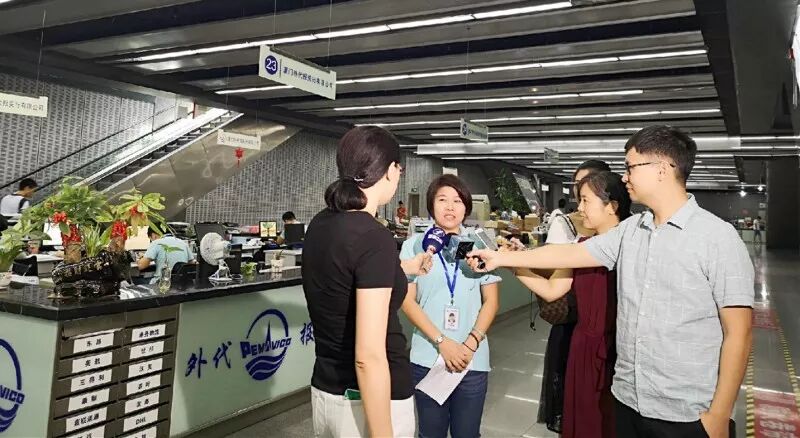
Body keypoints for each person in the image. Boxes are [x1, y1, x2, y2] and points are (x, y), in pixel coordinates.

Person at [470, 126, 753, 438]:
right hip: (627, 401)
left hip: (685, 412)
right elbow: (569, 254)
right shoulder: (631, 231)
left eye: (631, 167)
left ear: (662, 169)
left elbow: (738, 333)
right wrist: (501, 258)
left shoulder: (718, 239)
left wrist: (719, 415)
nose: (625, 176)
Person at [302, 126, 433, 438]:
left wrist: (404, 267)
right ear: (389, 170)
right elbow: (369, 357)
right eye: (399, 168)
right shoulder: (374, 236)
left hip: (326, 390)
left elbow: (347, 273)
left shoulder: (321, 223)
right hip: (371, 402)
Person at [516, 171, 631, 437]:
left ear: (612, 206)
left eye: (586, 200)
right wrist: (514, 266)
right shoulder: (581, 247)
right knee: (582, 419)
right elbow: (552, 290)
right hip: (582, 347)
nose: (579, 208)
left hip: (618, 351)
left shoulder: (632, 246)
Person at [399, 174, 501, 438]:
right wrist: (442, 342)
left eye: (457, 201)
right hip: (428, 356)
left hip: (472, 358)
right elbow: (407, 301)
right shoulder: (414, 246)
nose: (450, 207)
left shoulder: (479, 246)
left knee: (468, 433)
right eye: (442, 199)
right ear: (431, 205)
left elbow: (491, 301)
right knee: (430, 433)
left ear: (466, 207)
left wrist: (470, 344)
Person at [528, 159, 610, 434]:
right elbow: (554, 283)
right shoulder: (576, 239)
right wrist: (510, 260)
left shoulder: (628, 237)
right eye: (578, 188)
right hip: (577, 331)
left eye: (587, 193)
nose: (579, 200)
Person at [546, 160, 611, 244]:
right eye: (577, 184)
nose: (580, 189)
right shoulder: (562, 224)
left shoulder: (622, 224)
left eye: (588, 184)